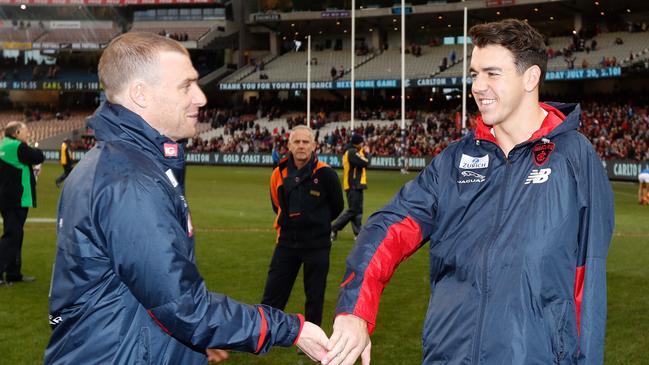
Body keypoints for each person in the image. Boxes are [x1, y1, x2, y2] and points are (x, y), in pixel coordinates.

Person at [322, 19, 614, 365]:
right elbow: (389, 227)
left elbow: (588, 282)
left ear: (530, 77)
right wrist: (356, 308)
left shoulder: (574, 159)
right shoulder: (454, 161)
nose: (477, 86)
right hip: (448, 356)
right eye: (474, 74)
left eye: (492, 73)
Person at [44, 32, 328, 364]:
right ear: (141, 94)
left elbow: (145, 295)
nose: (201, 97)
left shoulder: (128, 164)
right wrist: (293, 329)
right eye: (186, 86)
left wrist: (185, 343)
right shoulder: (129, 181)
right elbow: (184, 308)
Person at [262, 125, 344, 343]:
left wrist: (315, 223)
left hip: (317, 245)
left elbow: (337, 206)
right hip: (287, 244)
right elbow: (276, 205)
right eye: (296, 142)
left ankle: (313, 339)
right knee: (274, 293)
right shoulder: (278, 173)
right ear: (289, 145)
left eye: (305, 142)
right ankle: (264, 334)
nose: (301, 146)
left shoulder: (326, 173)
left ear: (314, 146)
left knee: (314, 296)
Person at [0, 121, 44, 286]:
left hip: (7, 198)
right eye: (26, 132)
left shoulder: (4, 144)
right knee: (12, 237)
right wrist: (34, 147)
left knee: (14, 235)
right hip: (16, 199)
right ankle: (5, 272)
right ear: (17, 133)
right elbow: (39, 157)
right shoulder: (19, 147)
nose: (28, 135)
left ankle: (13, 273)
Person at [330, 134, 369, 241]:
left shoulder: (353, 151)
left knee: (357, 210)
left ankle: (357, 233)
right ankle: (333, 228)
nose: (363, 144)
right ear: (357, 142)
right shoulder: (352, 152)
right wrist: (368, 154)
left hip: (356, 184)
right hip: (353, 184)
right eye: (361, 142)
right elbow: (364, 162)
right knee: (353, 210)